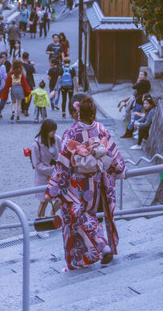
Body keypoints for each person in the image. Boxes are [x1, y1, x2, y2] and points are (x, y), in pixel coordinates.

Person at [46, 95, 125, 269]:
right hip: (96, 182)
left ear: (76, 112)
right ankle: (101, 247)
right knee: (89, 214)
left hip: (77, 183)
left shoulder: (71, 133)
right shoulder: (101, 128)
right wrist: (119, 169)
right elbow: (113, 155)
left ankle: (99, 248)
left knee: (78, 216)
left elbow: (63, 164)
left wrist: (53, 188)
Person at [31, 120, 61, 218]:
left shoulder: (57, 139)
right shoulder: (36, 145)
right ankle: (41, 221)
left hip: (56, 174)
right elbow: (37, 164)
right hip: (43, 176)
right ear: (46, 130)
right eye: (52, 130)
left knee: (62, 196)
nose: (53, 132)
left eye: (54, 130)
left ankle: (52, 213)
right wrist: (51, 169)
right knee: (44, 201)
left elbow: (62, 153)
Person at [21, 52, 36, 116]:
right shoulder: (30, 66)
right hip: (29, 82)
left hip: (21, 82)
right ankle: (26, 109)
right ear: (28, 57)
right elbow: (34, 71)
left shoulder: (20, 65)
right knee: (28, 96)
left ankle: (22, 108)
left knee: (22, 95)